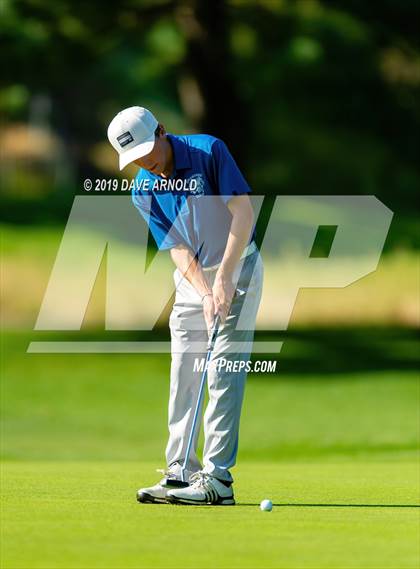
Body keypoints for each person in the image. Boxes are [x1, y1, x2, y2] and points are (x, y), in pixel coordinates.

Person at [107, 106, 263, 505]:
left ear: (161, 131)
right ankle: (181, 471)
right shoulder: (143, 189)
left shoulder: (208, 151)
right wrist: (206, 291)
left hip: (238, 267)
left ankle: (218, 479)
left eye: (147, 150)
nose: (145, 162)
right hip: (194, 280)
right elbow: (176, 247)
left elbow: (243, 212)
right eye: (134, 158)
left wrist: (224, 278)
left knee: (222, 372)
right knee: (184, 372)